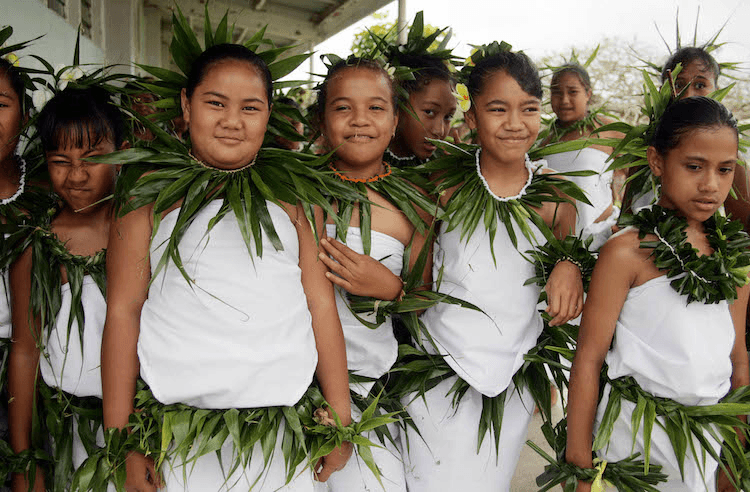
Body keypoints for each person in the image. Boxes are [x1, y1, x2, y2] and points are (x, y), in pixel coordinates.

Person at [102, 43, 352, 492]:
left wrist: (340, 417)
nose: (232, 120)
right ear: (185, 103)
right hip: (176, 438)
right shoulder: (147, 195)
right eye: (215, 103)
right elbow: (123, 310)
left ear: (269, 113)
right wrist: (124, 439)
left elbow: (320, 304)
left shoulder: (294, 198)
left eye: (250, 107)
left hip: (280, 429)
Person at [401, 48, 585, 492]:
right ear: (472, 111)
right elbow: (415, 283)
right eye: (497, 109)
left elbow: (571, 258)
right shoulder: (441, 185)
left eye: (529, 108)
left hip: (512, 376)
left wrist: (570, 262)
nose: (514, 123)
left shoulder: (555, 197)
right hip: (437, 368)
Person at [566, 96, 749, 492]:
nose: (711, 184)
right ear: (657, 161)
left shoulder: (732, 257)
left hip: (705, 441)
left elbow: (737, 359)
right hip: (634, 440)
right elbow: (588, 358)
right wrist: (580, 466)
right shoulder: (627, 252)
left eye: (725, 170)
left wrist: (731, 459)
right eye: (694, 166)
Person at [312, 56, 436, 492]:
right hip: (287, 388)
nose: (360, 120)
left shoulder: (415, 205)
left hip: (368, 391)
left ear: (395, 118)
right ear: (322, 119)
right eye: (343, 107)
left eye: (376, 108)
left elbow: (426, 306)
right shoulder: (295, 192)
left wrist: (393, 289)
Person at [8, 86, 124, 492]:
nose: (76, 175)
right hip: (70, 431)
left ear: (122, 151)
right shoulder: (38, 244)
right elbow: (24, 350)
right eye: (61, 161)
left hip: (142, 426)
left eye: (92, 159)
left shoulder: (143, 228)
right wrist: (25, 459)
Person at [543, 63, 624, 249]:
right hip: (556, 243)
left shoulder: (609, 130)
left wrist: (625, 215)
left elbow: (639, 170)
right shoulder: (543, 143)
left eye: (572, 92)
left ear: (587, 93)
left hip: (603, 237)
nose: (564, 100)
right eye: (556, 92)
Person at [386, 53, 456, 166]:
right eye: (429, 112)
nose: (440, 131)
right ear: (396, 104)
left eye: (448, 117)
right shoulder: (362, 164)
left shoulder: (443, 168)